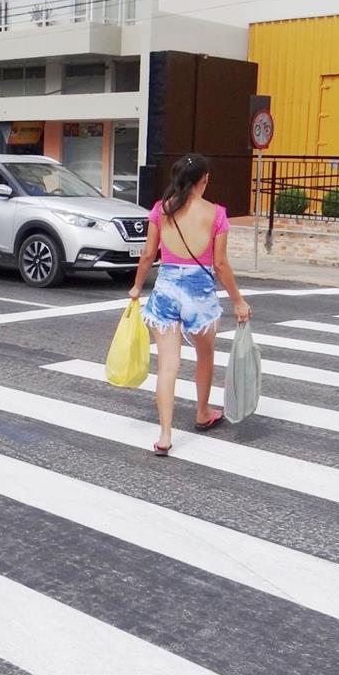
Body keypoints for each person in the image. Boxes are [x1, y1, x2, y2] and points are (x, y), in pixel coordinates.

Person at [128, 154, 251, 455]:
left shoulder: (160, 210)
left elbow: (148, 254)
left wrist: (135, 286)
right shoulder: (217, 214)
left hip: (166, 289)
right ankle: (202, 413)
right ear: (204, 180)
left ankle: (165, 435)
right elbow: (220, 265)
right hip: (199, 293)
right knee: (205, 356)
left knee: (168, 366)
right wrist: (238, 301)